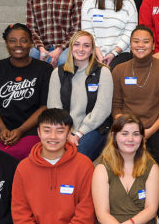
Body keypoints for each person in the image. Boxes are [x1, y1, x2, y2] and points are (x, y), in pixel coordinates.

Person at [110, 25, 159, 187]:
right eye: (136, 41)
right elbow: (116, 108)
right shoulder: (119, 70)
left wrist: (149, 131)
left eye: (146, 42)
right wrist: (129, 131)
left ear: (153, 45)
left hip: (157, 126)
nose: (141, 45)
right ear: (130, 44)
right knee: (115, 159)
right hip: (127, 127)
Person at [0, 23, 52, 161]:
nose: (18, 45)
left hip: (32, 130)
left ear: (31, 43)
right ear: (6, 44)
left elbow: (45, 107)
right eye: (12, 41)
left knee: (20, 155)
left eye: (24, 40)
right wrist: (2, 129)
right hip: (3, 130)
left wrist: (20, 131)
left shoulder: (44, 69)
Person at [47, 30, 112, 160]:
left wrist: (79, 133)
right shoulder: (57, 73)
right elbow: (54, 108)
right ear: (71, 48)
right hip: (64, 129)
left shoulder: (103, 72)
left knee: (76, 156)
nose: (81, 49)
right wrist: (67, 132)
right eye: (76, 44)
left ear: (92, 50)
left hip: (93, 129)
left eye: (86, 46)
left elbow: (102, 110)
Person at [81, 0, 137, 69]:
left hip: (120, 53)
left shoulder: (128, 2)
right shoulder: (89, 2)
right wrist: (98, 53)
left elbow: (130, 33)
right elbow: (88, 32)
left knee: (114, 71)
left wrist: (113, 53)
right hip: (94, 51)